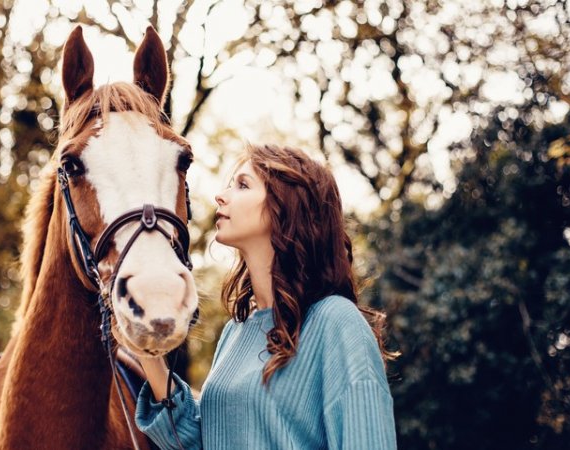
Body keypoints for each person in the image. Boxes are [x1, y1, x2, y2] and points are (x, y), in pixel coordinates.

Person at [134, 144, 397, 450]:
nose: (222, 195)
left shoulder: (336, 322)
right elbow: (200, 443)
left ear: (285, 207)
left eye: (243, 185)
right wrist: (144, 348)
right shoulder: (235, 332)